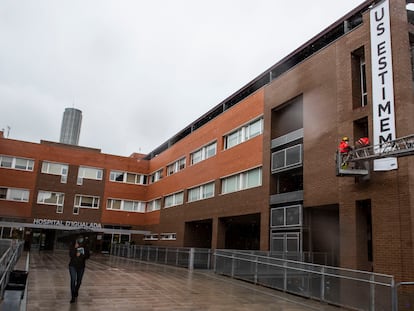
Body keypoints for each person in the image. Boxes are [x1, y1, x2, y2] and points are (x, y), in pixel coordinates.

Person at [68, 236, 90, 303]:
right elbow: (70, 255)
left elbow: (87, 256)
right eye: (78, 239)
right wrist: (75, 250)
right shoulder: (73, 246)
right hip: (73, 266)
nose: (79, 240)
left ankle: (76, 290)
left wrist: (81, 255)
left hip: (81, 267)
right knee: (73, 280)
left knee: (79, 281)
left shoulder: (85, 247)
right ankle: (72, 297)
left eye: (81, 239)